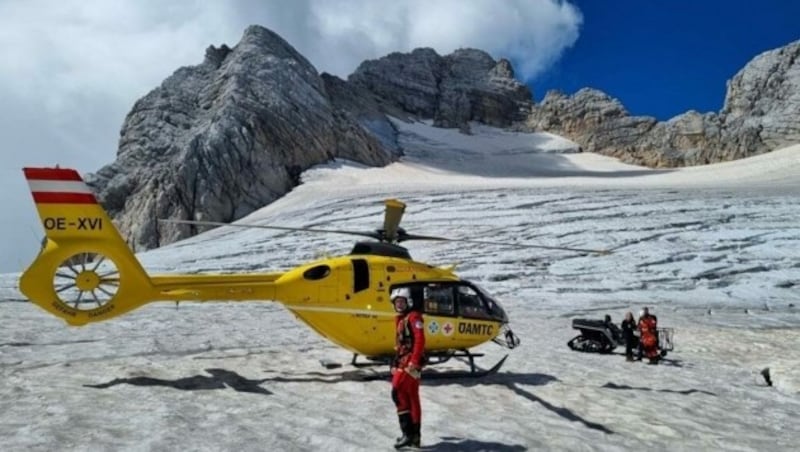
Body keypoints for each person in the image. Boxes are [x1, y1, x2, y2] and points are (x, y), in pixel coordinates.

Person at [389, 287, 425, 449]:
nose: (400, 304)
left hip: (410, 363)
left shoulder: (413, 317)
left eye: (402, 302)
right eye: (397, 302)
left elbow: (419, 340)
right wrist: (395, 362)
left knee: (397, 392)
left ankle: (408, 434)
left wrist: (414, 362)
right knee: (411, 397)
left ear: (408, 302)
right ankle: (414, 437)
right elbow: (400, 345)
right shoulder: (402, 319)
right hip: (404, 361)